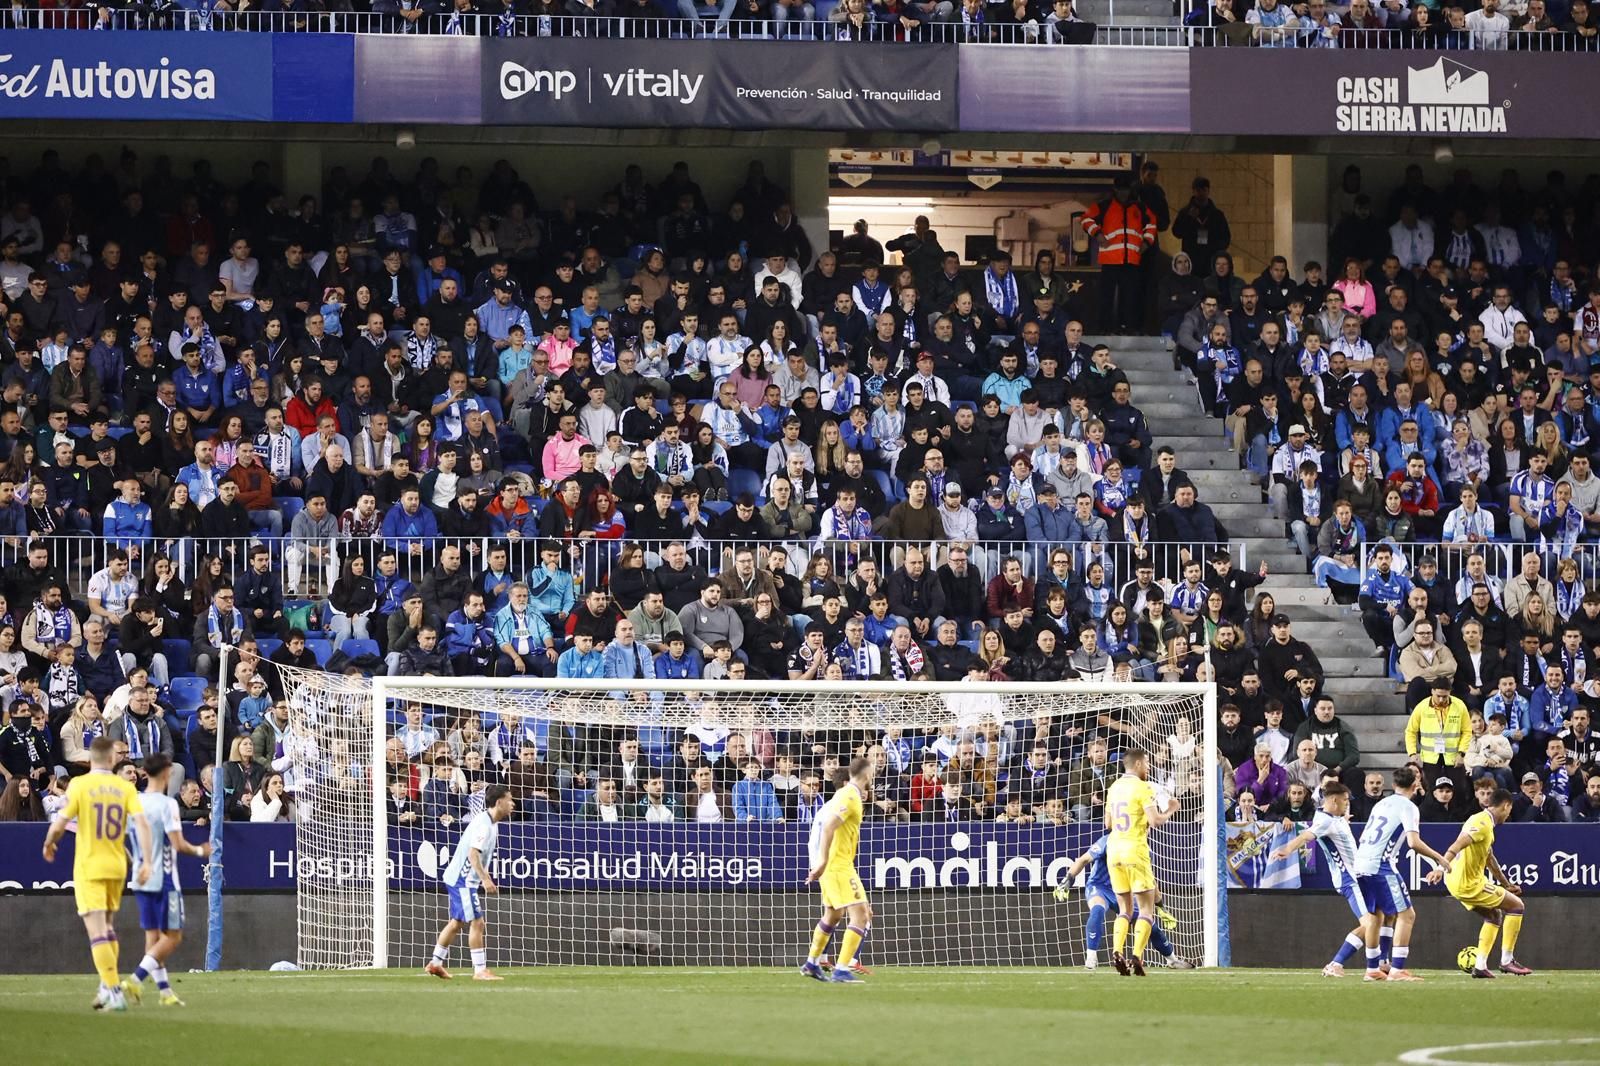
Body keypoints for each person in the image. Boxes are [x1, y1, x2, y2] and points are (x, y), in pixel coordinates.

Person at [40, 735, 154, 1011]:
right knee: (108, 928)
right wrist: (146, 861)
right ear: (113, 759)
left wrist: (49, 842)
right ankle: (106, 986)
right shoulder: (124, 787)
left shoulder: (80, 784)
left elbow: (61, 822)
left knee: (97, 931)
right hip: (117, 865)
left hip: (90, 865)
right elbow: (142, 825)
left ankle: (114, 991)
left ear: (90, 758)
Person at [121, 753, 212, 1007]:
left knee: (153, 937)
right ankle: (135, 980)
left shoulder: (134, 802)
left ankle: (165, 992)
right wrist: (201, 851)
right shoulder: (167, 804)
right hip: (164, 878)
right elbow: (178, 844)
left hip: (140, 878)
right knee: (172, 937)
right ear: (165, 774)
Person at [1269, 782, 1385, 980]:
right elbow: (1307, 835)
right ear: (1334, 799)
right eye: (1345, 800)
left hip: (1357, 877)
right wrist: (1288, 849)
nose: (1347, 804)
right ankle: (1340, 964)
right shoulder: (1324, 821)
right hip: (1349, 879)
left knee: (1377, 919)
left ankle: (1378, 964)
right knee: (1370, 922)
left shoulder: (1334, 818)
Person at [1351, 765, 1454, 982]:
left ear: (1393, 785)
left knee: (1375, 916)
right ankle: (1397, 970)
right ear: (1416, 784)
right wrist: (1440, 858)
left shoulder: (1381, 804)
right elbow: (1413, 842)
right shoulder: (1408, 807)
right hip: (1380, 865)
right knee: (1407, 915)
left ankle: (1372, 969)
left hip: (1360, 863)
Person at [1437, 787, 1534, 977]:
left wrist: (1505, 884)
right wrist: (1440, 867)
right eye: (1509, 810)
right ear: (1506, 806)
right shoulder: (1482, 823)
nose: (1508, 815)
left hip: (1456, 882)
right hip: (1468, 883)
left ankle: (1480, 966)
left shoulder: (1482, 822)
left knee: (1493, 916)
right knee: (1516, 906)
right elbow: (1457, 845)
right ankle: (1507, 960)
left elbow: (1490, 859)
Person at [1061, 833, 1193, 971]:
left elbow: (1150, 881)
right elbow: (1083, 860)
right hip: (1100, 887)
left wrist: (1161, 907)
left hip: (1123, 891)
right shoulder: (1108, 841)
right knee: (1097, 910)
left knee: (1149, 923)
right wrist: (1068, 879)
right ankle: (1091, 959)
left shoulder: (1144, 849)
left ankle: (1172, 960)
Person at [426, 783, 515, 982]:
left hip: (460, 878)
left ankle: (436, 963)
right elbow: (473, 853)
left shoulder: (490, 822)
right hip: (462, 880)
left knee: (457, 923)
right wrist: (486, 879)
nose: (513, 804)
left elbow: (480, 855)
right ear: (499, 802)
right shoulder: (484, 825)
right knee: (478, 922)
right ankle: (480, 970)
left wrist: (483, 874)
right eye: (509, 799)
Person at [800, 756, 876, 984]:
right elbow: (828, 827)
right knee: (861, 915)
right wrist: (822, 862)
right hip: (838, 865)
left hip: (836, 864)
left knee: (833, 915)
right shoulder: (849, 794)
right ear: (866, 773)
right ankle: (842, 969)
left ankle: (812, 963)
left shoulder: (846, 795)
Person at [1104, 748, 1176, 977]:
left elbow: (1108, 823)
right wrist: (1171, 809)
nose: (1149, 767)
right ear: (1136, 765)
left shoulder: (1114, 787)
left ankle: (1116, 951)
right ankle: (1136, 955)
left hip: (1113, 850)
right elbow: (1155, 821)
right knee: (1146, 909)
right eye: (1146, 763)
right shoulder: (1142, 788)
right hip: (1135, 850)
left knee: (1124, 909)